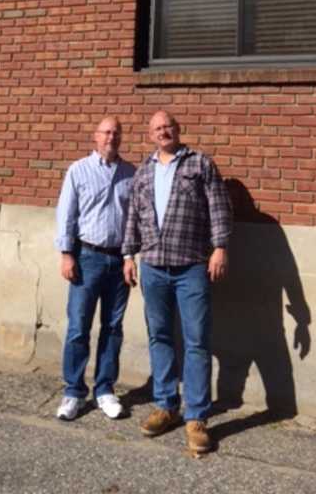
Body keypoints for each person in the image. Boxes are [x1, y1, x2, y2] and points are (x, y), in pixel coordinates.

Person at [122, 110, 232, 454]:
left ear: (178, 129)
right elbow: (133, 217)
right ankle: (166, 405)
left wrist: (220, 248)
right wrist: (128, 255)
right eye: (157, 128)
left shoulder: (200, 164)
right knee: (160, 336)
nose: (163, 132)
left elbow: (218, 207)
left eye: (168, 126)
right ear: (150, 135)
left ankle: (196, 417)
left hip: (191, 266)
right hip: (153, 265)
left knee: (197, 341)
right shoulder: (144, 171)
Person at [54, 116, 136, 421]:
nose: (111, 137)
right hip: (86, 256)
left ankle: (104, 390)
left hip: (118, 261)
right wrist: (66, 254)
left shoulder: (131, 173)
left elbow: (132, 222)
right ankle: (73, 391)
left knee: (113, 329)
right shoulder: (78, 170)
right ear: (95, 137)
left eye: (116, 132)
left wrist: (129, 256)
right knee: (78, 327)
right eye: (106, 132)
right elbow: (67, 215)